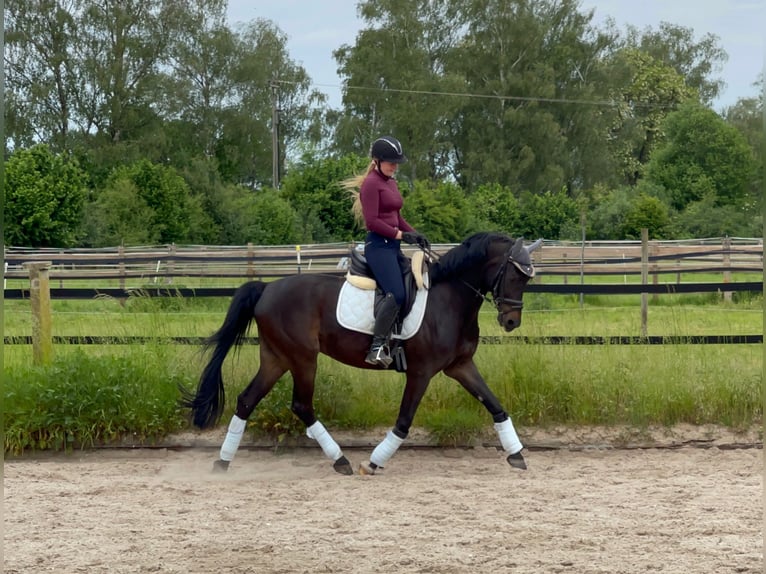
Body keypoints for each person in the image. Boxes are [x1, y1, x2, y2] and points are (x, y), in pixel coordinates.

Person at [343, 135, 430, 367]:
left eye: (396, 162)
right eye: (390, 162)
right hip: (378, 248)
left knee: (414, 284)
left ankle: (400, 341)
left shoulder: (391, 182)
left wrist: (415, 234)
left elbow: (397, 217)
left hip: (392, 247)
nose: (395, 166)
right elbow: (372, 222)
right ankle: (376, 348)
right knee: (397, 293)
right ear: (377, 160)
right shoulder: (371, 184)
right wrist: (401, 235)